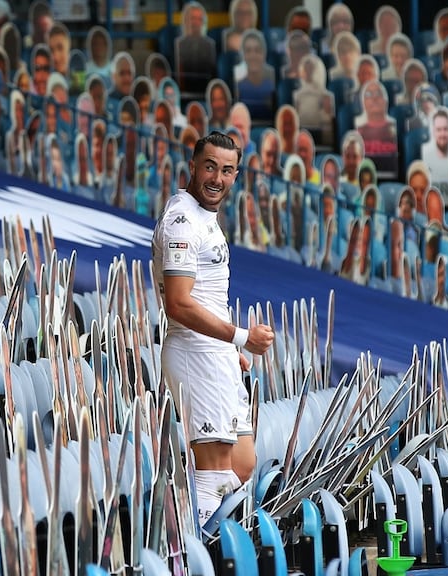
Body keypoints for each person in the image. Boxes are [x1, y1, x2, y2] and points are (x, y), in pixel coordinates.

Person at [152, 132, 275, 527]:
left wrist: (228, 350)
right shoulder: (182, 221)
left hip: (213, 354)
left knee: (242, 465)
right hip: (193, 355)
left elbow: (205, 297)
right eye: (210, 166)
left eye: (227, 170)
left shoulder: (205, 218)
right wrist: (240, 337)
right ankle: (192, 557)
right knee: (216, 475)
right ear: (192, 165)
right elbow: (179, 303)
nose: (217, 178)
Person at [420, 107, 448, 206]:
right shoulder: (424, 153)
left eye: (446, 129)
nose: (442, 134)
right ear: (433, 132)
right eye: (438, 130)